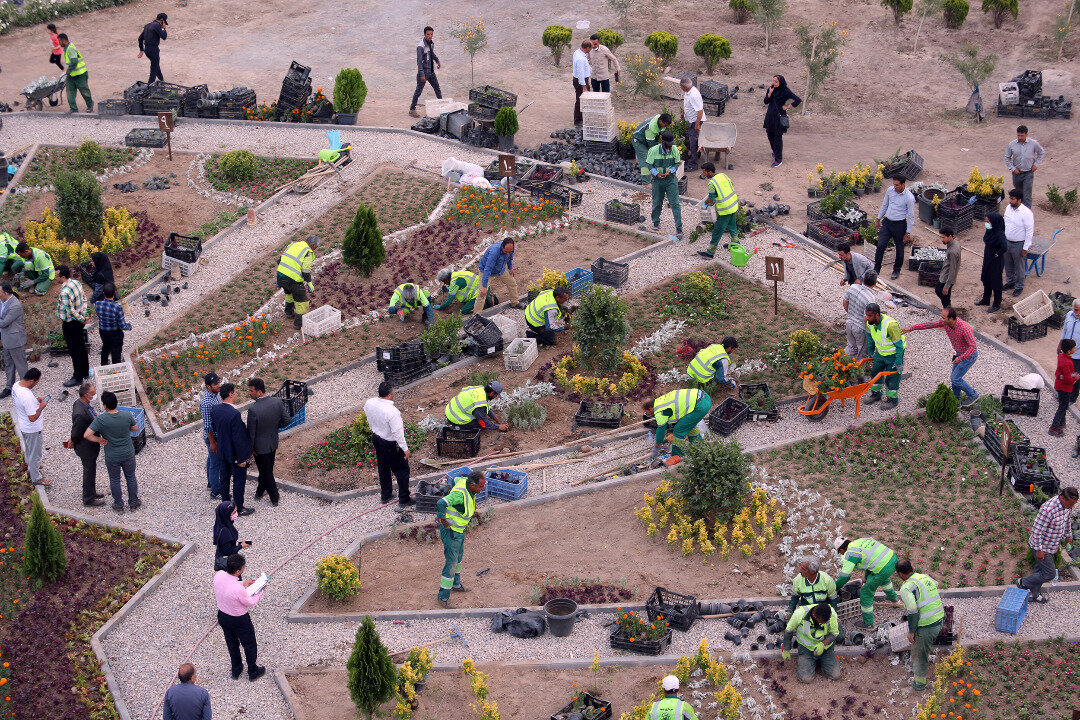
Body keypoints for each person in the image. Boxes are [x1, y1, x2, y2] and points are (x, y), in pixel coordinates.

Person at [903, 308, 979, 408]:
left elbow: (973, 347)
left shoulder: (965, 328)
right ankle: (956, 401)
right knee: (954, 379)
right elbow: (929, 324)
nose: (941, 320)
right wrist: (911, 328)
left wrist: (961, 358)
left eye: (943, 318)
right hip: (959, 354)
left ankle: (973, 395)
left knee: (955, 379)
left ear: (951, 318)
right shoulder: (946, 324)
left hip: (969, 356)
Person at [1016, 487, 1078, 603]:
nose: (1072, 507)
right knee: (1049, 573)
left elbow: (1067, 521)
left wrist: (1069, 536)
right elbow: (1037, 531)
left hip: (1052, 546)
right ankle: (1023, 582)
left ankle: (1035, 595)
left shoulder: (1066, 507)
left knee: (1040, 571)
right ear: (1063, 498)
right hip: (1041, 547)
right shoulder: (1048, 509)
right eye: (1071, 503)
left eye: (1074, 504)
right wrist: (1039, 550)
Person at [436, 469, 486, 607]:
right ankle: (443, 597)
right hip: (451, 531)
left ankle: (456, 585)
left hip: (459, 531)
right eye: (481, 486)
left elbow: (455, 480)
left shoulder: (464, 482)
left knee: (458, 559)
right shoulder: (460, 495)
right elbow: (441, 503)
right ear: (472, 485)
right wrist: (444, 520)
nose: (482, 489)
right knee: (451, 563)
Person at [214, 553, 266, 681]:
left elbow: (229, 584)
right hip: (239, 619)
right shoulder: (237, 589)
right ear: (238, 571)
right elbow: (251, 602)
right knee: (249, 644)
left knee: (231, 643)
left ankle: (236, 670)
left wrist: (244, 582)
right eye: (243, 567)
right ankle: (253, 671)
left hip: (223, 616)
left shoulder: (218, 575)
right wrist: (261, 590)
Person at [85, 390, 140, 511]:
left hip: (112, 455)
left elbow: (87, 435)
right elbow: (135, 427)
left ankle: (119, 504)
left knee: (114, 479)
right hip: (128, 453)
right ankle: (133, 502)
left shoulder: (101, 419)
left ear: (105, 405)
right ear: (116, 403)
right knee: (130, 477)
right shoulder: (126, 415)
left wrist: (99, 439)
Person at [894, 559, 944, 691]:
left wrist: (911, 631)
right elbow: (935, 584)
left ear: (900, 574)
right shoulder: (924, 576)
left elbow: (913, 613)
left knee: (919, 654)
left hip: (928, 626)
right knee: (923, 649)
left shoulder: (906, 588)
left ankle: (919, 684)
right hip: (939, 619)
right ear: (912, 567)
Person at [364, 380, 414, 507]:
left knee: (383, 467)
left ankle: (386, 495)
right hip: (389, 443)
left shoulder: (370, 403)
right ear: (390, 395)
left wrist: (374, 428)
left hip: (377, 438)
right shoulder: (392, 412)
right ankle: (404, 499)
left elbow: (368, 417)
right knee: (402, 470)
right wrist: (405, 449)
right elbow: (397, 432)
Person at [834, 536, 898, 627]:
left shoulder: (849, 554)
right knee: (884, 579)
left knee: (865, 593)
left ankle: (868, 624)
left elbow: (844, 577)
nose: (841, 554)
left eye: (840, 552)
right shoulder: (860, 541)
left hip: (883, 568)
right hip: (893, 559)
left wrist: (834, 588)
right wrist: (866, 577)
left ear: (841, 549)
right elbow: (871, 561)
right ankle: (894, 600)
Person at [246, 378, 291, 506]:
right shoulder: (277, 402)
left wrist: (250, 450)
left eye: (251, 391)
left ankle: (274, 497)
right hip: (272, 442)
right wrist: (275, 427)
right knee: (266, 469)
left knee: (266, 472)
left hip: (260, 447)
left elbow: (251, 433)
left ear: (259, 392)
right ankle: (260, 491)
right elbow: (287, 420)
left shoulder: (253, 410)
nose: (249, 393)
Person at [211, 383, 253, 516]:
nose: (236, 395)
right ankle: (239, 508)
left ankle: (225, 505)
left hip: (222, 451)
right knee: (238, 481)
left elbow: (215, 429)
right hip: (234, 454)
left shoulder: (215, 409)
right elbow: (238, 439)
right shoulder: (234, 414)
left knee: (224, 478)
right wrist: (242, 458)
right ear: (230, 394)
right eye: (235, 392)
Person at [781, 603, 841, 683]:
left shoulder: (832, 613)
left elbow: (834, 634)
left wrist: (823, 644)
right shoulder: (800, 613)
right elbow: (789, 631)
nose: (824, 623)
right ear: (814, 615)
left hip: (825, 649)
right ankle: (814, 661)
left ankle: (822, 661)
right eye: (822, 621)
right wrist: (786, 649)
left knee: (836, 675)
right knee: (805, 679)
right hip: (806, 649)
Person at [647, 388, 712, 461]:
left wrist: (657, 446)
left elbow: (661, 429)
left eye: (646, 412)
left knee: (678, 431)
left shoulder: (659, 412)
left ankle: (677, 456)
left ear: (650, 408)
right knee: (689, 426)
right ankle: (699, 447)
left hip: (700, 405)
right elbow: (665, 426)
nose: (647, 414)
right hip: (705, 398)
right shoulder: (660, 401)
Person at [69, 382, 105, 506]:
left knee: (91, 469)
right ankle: (88, 498)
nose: (95, 396)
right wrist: (72, 441)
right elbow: (76, 432)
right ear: (86, 395)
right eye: (93, 394)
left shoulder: (81, 404)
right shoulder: (81, 413)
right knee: (89, 471)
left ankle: (92, 491)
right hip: (86, 447)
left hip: (89, 446)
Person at [863, 303, 905, 408]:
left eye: (869, 316)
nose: (867, 318)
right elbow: (870, 337)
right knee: (875, 372)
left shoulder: (891, 325)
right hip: (880, 353)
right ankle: (876, 394)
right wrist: (870, 351)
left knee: (892, 377)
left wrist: (899, 361)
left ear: (877, 315)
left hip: (893, 354)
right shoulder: (870, 323)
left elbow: (899, 346)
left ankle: (892, 399)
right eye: (866, 315)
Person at [874, 177, 916, 280]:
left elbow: (911, 216)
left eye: (897, 185)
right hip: (887, 222)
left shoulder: (909, 198)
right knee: (880, 245)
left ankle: (896, 270)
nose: (895, 187)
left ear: (903, 184)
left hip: (899, 225)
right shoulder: (890, 190)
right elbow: (885, 204)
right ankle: (876, 269)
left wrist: (908, 233)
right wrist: (878, 218)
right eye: (894, 184)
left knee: (899, 248)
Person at [12, 367, 47, 486]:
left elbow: (24, 405)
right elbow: (32, 418)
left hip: (23, 426)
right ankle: (36, 478)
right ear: (32, 381)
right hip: (32, 429)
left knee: (29, 450)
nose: (37, 384)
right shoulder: (26, 395)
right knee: (35, 454)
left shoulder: (16, 385)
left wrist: (36, 401)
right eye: (37, 382)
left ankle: (32, 467)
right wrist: (41, 407)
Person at [56, 265, 90, 387]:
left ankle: (77, 377)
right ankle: (85, 371)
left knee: (74, 350)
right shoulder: (76, 283)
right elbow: (84, 299)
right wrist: (84, 316)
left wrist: (81, 318)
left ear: (63, 277)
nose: (56, 278)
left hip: (70, 323)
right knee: (81, 346)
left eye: (57, 276)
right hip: (78, 321)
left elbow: (70, 311)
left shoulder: (64, 292)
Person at [787, 558, 841, 636]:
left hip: (823, 613)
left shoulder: (827, 580)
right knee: (805, 633)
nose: (799, 571)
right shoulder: (798, 580)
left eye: (803, 569)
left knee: (839, 636)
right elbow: (794, 598)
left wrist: (833, 616)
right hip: (807, 613)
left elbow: (833, 600)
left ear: (812, 572)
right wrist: (790, 611)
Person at [646, 132, 683, 240]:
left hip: (671, 180)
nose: (671, 146)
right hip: (657, 181)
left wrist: (670, 171)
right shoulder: (653, 151)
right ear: (663, 142)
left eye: (672, 144)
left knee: (675, 204)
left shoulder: (674, 149)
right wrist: (656, 173)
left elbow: (677, 163)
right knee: (657, 202)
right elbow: (649, 164)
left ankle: (679, 228)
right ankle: (655, 223)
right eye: (669, 144)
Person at [276, 235, 319, 330]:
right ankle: (298, 324)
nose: (315, 249)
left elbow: (279, 260)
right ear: (312, 245)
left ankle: (289, 313)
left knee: (289, 294)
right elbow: (305, 270)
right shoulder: (307, 252)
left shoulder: (293, 245)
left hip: (280, 276)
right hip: (292, 280)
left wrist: (281, 276)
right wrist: (309, 283)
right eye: (315, 247)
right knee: (302, 302)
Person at [696, 162, 738, 258]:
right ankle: (736, 244)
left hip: (725, 209)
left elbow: (711, 197)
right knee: (732, 226)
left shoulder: (712, 183)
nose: (704, 175)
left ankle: (710, 253)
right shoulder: (723, 175)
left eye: (705, 172)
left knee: (717, 231)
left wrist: (704, 204)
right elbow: (730, 185)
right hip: (733, 205)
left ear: (710, 172)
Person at [763, 75, 801, 168]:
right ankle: (775, 151)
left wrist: (788, 106)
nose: (774, 83)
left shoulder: (785, 90)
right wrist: (769, 93)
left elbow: (798, 100)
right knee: (769, 134)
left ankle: (778, 160)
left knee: (777, 138)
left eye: (776, 81)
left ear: (781, 82)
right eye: (773, 81)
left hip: (779, 116)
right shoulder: (771, 89)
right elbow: (766, 102)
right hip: (770, 115)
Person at [1003, 189, 1034, 297]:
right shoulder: (1008, 208)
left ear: (1019, 200)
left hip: (1019, 244)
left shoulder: (1026, 213)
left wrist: (1025, 248)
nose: (1010, 201)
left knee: (1019, 266)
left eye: (1012, 199)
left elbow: (1029, 232)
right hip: (1007, 242)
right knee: (1008, 264)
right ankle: (1010, 282)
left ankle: (1019, 286)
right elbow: (1005, 223)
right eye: (1010, 198)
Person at [1004, 124, 1044, 209]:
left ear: (1026, 134)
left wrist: (1036, 164)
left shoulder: (1033, 144)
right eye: (1018, 135)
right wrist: (1013, 168)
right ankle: (1018, 210)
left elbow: (1041, 153)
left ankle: (1027, 214)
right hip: (1017, 174)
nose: (1020, 137)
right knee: (1018, 194)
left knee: (1027, 195)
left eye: (1022, 135)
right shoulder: (1012, 144)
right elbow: (1007, 157)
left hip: (1028, 173)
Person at [975, 212, 1007, 313]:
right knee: (986, 278)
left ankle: (996, 304)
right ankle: (986, 299)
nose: (986, 224)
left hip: (996, 261)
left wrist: (997, 253)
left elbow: (1004, 247)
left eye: (988, 222)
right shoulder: (990, 231)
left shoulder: (999, 233)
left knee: (996, 281)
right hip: (988, 258)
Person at [0, 283, 27, 399]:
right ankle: (9, 387)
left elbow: (5, 322)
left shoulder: (15, 305)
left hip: (15, 340)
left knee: (20, 365)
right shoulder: (2, 302)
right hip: (6, 339)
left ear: (6, 293)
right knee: (8, 364)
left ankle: (25, 388)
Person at [476, 239, 520, 310]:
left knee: (512, 283)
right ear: (502, 246)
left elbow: (510, 258)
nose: (508, 253)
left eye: (510, 252)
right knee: (482, 293)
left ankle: (514, 303)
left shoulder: (510, 249)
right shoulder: (494, 252)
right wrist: (484, 287)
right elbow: (488, 269)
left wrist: (510, 267)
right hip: (486, 271)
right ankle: (476, 315)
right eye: (506, 251)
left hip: (500, 269)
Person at [94, 282, 131, 365]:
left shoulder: (97, 304)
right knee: (116, 354)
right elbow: (122, 325)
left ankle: (104, 366)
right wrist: (129, 326)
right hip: (115, 334)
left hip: (103, 332)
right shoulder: (117, 307)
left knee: (105, 348)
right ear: (115, 292)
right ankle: (115, 370)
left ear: (103, 293)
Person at [843, 271, 877, 361]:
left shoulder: (853, 287)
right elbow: (867, 318)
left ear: (864, 279)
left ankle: (841, 364)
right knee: (862, 352)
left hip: (849, 323)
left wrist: (850, 313)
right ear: (875, 283)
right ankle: (858, 372)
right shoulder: (870, 299)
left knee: (851, 347)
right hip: (860, 328)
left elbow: (845, 302)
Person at [408, 26, 442, 119]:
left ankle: (442, 106)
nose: (430, 36)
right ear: (424, 34)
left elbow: (432, 53)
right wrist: (422, 74)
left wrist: (437, 60)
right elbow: (419, 62)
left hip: (431, 72)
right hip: (423, 74)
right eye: (428, 34)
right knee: (418, 91)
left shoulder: (431, 43)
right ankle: (412, 109)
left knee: (437, 88)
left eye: (431, 34)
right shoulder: (421, 46)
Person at [631, 112, 672, 184]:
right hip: (638, 141)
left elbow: (663, 135)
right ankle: (646, 182)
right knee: (646, 160)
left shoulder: (662, 122)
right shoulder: (651, 128)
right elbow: (651, 145)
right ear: (660, 121)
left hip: (647, 139)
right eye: (665, 125)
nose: (665, 127)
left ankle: (653, 174)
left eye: (667, 126)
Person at [200, 373, 223, 497]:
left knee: (211, 459)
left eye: (219, 383)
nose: (219, 385)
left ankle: (210, 482)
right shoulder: (206, 403)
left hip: (216, 433)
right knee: (215, 462)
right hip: (212, 436)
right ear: (208, 386)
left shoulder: (216, 394)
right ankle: (216, 490)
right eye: (215, 384)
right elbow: (207, 425)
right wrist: (213, 442)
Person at [1050, 339, 1079, 436]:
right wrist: (1075, 378)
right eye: (1074, 347)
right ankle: (1054, 428)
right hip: (1064, 388)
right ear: (1069, 351)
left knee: (1064, 405)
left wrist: (1072, 375)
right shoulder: (1067, 362)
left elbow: (1063, 374)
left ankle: (1061, 423)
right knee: (1062, 407)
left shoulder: (1061, 356)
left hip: (1060, 386)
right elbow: (1067, 378)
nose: (1075, 348)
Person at [58, 34, 93, 113]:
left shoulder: (70, 48)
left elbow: (74, 61)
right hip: (72, 75)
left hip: (80, 74)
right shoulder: (67, 48)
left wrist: (68, 71)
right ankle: (73, 108)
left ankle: (90, 105)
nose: (59, 43)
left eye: (59, 41)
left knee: (84, 91)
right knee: (70, 91)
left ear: (63, 40)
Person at [213, 501, 251, 568]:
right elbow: (229, 552)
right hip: (229, 565)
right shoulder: (225, 532)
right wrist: (241, 546)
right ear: (227, 514)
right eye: (233, 512)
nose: (236, 514)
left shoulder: (219, 524)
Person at [137, 13, 168, 84]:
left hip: (147, 50)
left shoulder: (147, 25)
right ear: (162, 20)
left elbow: (140, 38)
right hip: (153, 49)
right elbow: (164, 37)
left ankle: (162, 81)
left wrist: (141, 50)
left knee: (156, 65)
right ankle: (149, 87)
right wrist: (163, 28)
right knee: (154, 70)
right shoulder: (157, 26)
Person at [680, 76, 703, 172]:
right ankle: (695, 156)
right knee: (691, 140)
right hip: (690, 120)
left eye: (680, 86)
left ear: (684, 87)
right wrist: (683, 113)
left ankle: (694, 165)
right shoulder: (688, 92)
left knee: (693, 143)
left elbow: (700, 111)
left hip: (695, 121)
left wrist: (697, 125)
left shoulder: (694, 95)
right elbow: (687, 105)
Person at [934, 230, 961, 308]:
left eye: (943, 237)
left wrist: (947, 285)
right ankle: (948, 309)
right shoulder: (956, 243)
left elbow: (953, 269)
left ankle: (948, 312)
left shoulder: (952, 251)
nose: (942, 239)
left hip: (947, 278)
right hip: (945, 274)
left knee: (942, 293)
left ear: (950, 236)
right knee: (941, 293)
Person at [1061, 298, 1080, 406]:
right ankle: (1064, 393)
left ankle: (1073, 398)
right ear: (1073, 309)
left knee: (1075, 377)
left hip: (1077, 356)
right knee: (1064, 373)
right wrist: (1060, 344)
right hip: (1065, 353)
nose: (1078, 313)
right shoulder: (1069, 315)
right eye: (1076, 310)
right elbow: (1064, 331)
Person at [572, 39, 592, 126]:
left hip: (581, 80)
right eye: (590, 48)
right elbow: (581, 74)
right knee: (580, 100)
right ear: (587, 48)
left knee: (582, 99)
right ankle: (578, 120)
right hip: (581, 81)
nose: (590, 50)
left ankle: (582, 118)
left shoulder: (578, 52)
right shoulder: (580, 59)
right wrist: (584, 87)